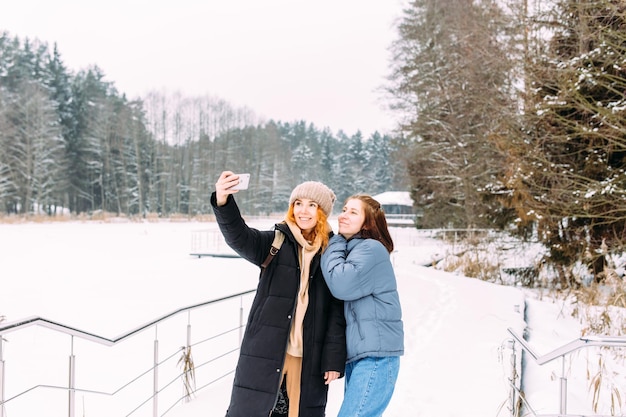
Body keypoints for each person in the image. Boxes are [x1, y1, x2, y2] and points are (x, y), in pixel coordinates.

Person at [211, 171, 347, 417]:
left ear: (322, 212)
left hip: (308, 359)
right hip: (266, 352)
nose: (303, 211)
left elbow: (336, 312)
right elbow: (238, 236)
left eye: (312, 205)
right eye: (298, 204)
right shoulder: (276, 242)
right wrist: (223, 201)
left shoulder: (333, 253)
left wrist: (334, 358)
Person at [320, 194, 404, 417]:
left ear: (367, 223)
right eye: (345, 209)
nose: (343, 215)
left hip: (376, 357)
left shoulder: (371, 249)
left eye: (353, 212)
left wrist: (335, 241)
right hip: (363, 355)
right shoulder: (357, 249)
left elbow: (341, 283)